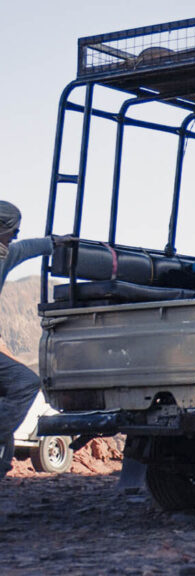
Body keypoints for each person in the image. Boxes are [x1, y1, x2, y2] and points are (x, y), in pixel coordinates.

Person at [0, 201, 75, 480]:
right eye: (13, 230)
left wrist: (54, 243)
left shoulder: (5, 255)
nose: (16, 236)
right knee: (25, 383)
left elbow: (26, 249)